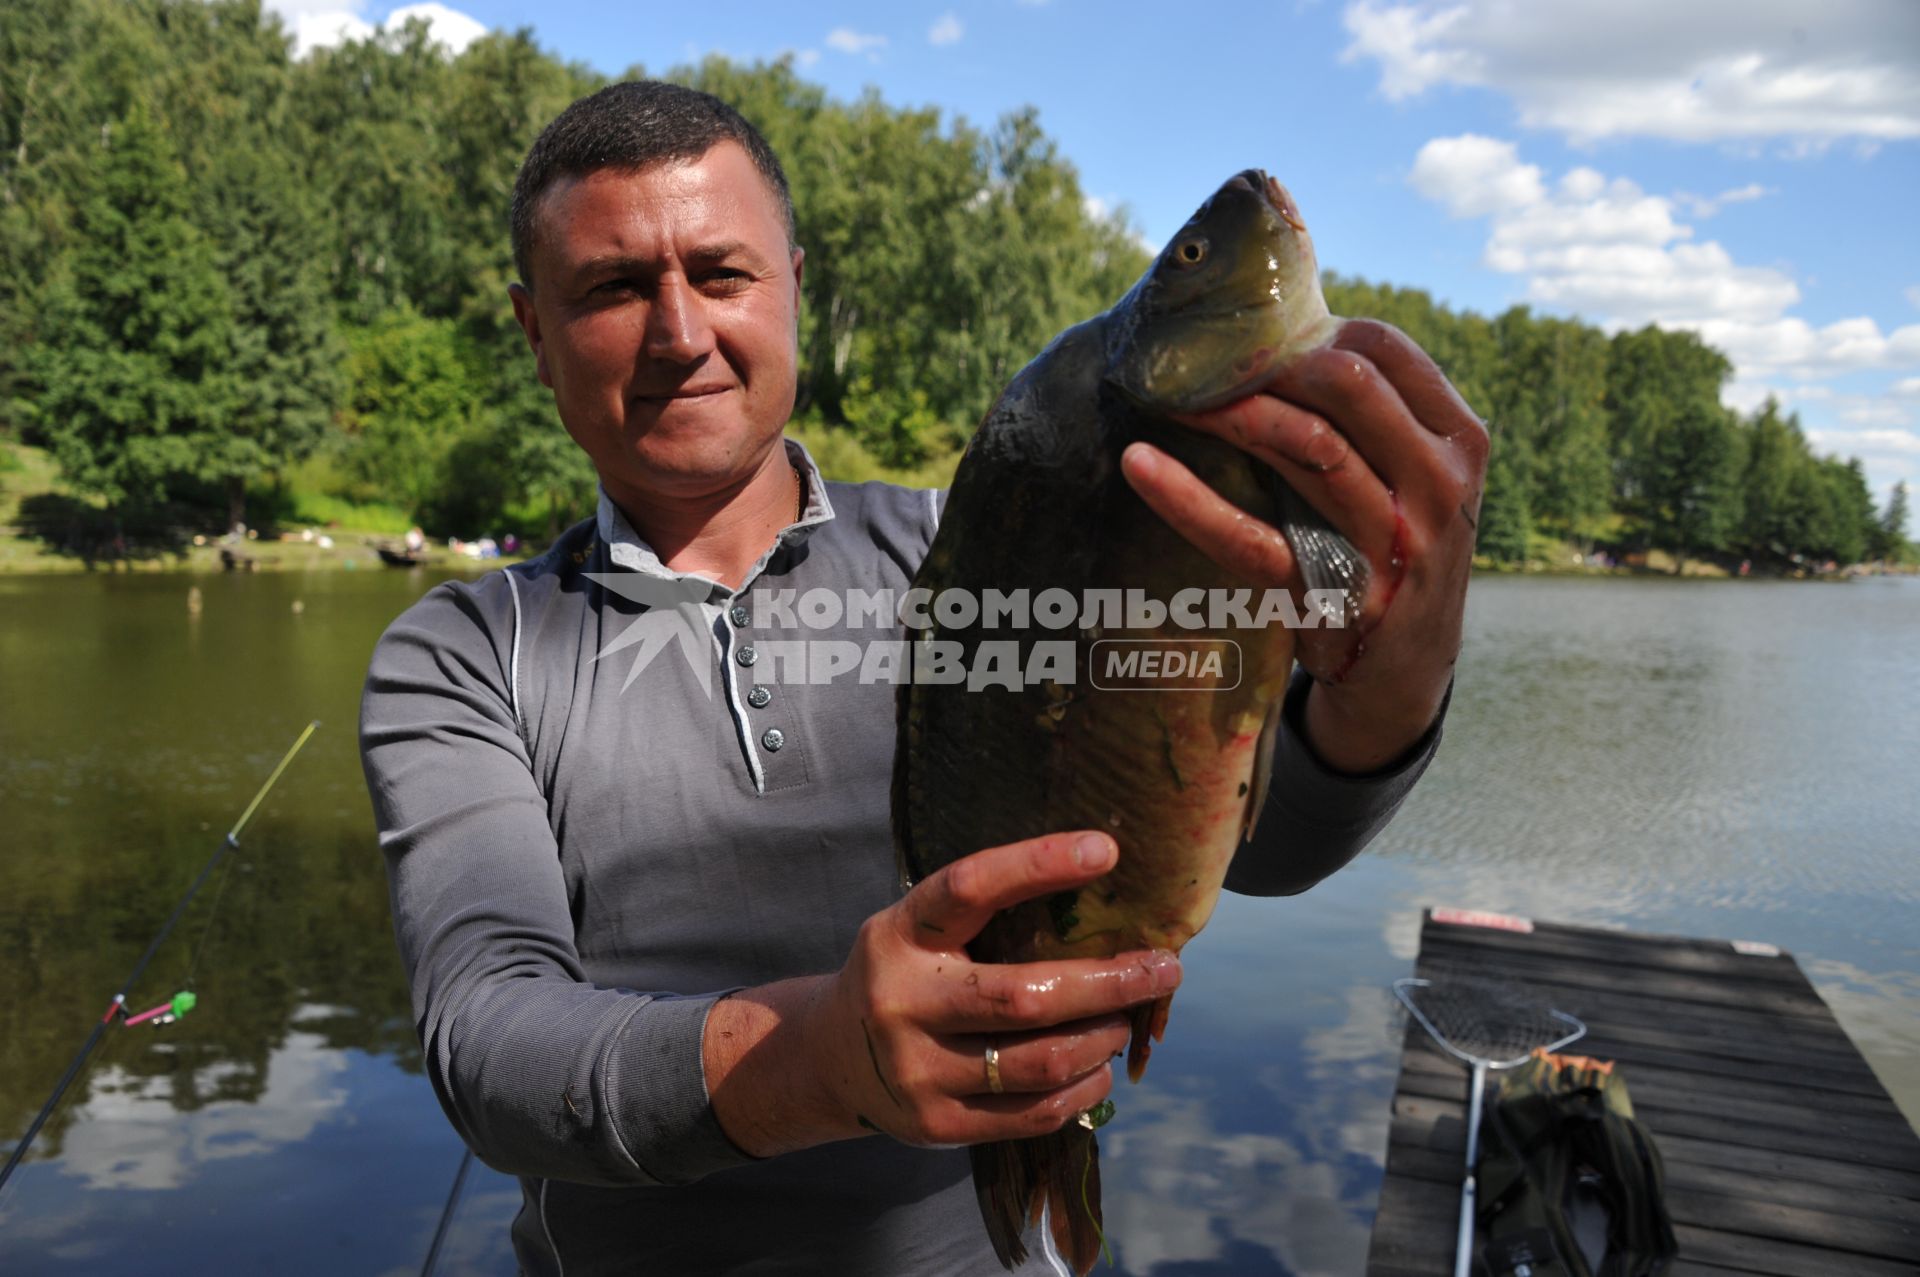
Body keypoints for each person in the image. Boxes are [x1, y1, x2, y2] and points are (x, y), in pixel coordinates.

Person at [359, 82, 1485, 1276]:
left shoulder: (974, 551)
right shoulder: (465, 651)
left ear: (791, 282)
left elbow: (1251, 845)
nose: (680, 330)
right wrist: (820, 1060)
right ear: (536, 333)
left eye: (723, 273)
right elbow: (489, 1042)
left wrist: (1385, 693)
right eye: (615, 288)